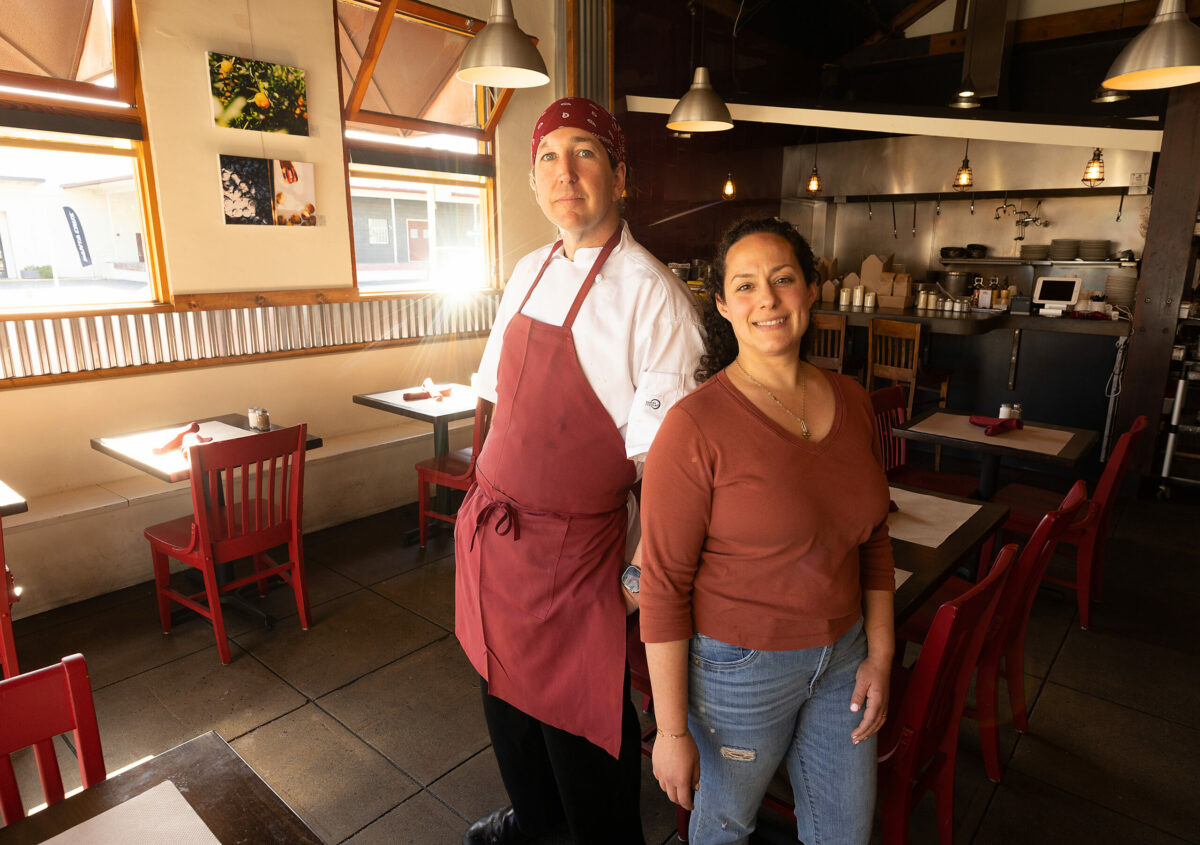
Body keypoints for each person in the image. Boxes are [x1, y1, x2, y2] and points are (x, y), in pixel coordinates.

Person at [455, 97, 705, 845]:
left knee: (581, 728)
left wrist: (635, 583)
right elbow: (498, 401)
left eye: (585, 153)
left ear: (620, 176)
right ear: (533, 182)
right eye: (548, 157)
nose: (564, 172)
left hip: (575, 562)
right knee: (502, 698)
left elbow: (672, 480)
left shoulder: (655, 299)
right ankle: (535, 823)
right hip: (497, 544)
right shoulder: (527, 271)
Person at [639, 217, 895, 845]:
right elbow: (663, 585)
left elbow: (874, 541)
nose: (768, 300)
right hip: (739, 669)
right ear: (724, 305)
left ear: (811, 290)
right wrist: (670, 732)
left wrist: (880, 654)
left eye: (783, 279)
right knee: (724, 829)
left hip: (845, 657)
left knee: (845, 834)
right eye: (746, 285)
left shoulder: (853, 400)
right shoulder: (694, 426)